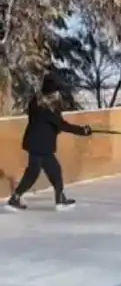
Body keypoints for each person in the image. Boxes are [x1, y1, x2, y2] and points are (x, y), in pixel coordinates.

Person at [5, 73, 93, 213]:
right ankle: (18, 198)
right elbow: (62, 125)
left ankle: (59, 198)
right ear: (53, 91)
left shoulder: (36, 102)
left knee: (53, 171)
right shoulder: (49, 107)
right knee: (35, 173)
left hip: (37, 144)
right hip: (41, 145)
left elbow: (49, 124)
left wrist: (57, 129)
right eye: (57, 89)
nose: (58, 92)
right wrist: (83, 131)